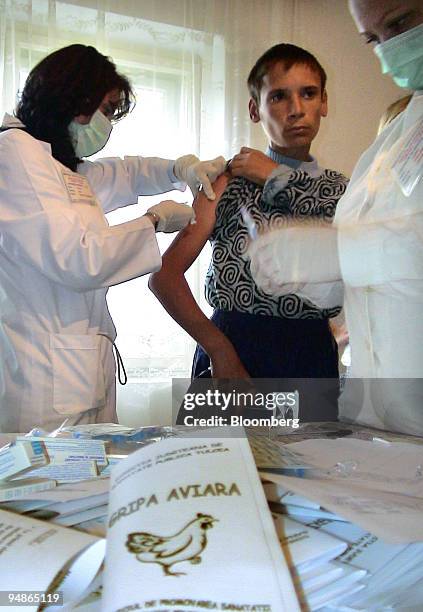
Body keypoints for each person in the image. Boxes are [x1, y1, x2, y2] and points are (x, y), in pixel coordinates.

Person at [0, 44, 226, 433]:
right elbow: (78, 259)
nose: (107, 124)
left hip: (78, 367)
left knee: (97, 480)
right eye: (105, 109)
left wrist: (180, 168)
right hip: (43, 377)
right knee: (58, 487)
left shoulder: (56, 163)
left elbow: (125, 173)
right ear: (75, 97)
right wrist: (153, 221)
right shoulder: (16, 155)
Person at [249, 0, 423, 435]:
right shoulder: (393, 140)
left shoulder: (334, 182)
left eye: (401, 23)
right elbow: (367, 280)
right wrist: (315, 280)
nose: (390, 52)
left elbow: (372, 248)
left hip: (335, 371)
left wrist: (336, 252)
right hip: (378, 414)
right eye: (372, 40)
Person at [149, 44, 348, 421]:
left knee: (308, 473)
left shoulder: (343, 192)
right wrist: (219, 351)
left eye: (308, 93)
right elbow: (165, 276)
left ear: (324, 102)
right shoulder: (227, 182)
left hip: (310, 355)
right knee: (216, 473)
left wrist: (273, 176)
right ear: (255, 109)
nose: (296, 109)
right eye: (278, 96)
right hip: (234, 345)